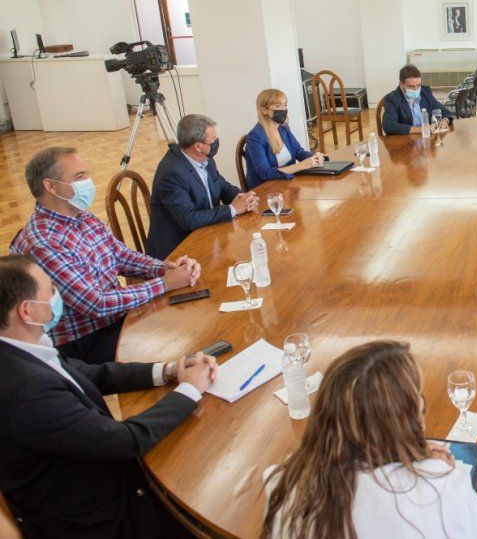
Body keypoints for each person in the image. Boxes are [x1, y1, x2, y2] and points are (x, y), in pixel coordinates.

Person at [0, 254, 219, 538]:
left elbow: (93, 374)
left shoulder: (24, 345)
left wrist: (169, 371)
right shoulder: (25, 390)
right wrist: (189, 390)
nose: (58, 294)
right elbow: (125, 440)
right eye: (51, 290)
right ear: (27, 311)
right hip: (100, 517)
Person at [262, 340, 477, 539]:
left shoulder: (283, 480)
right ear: (403, 424)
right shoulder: (439, 491)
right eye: (420, 405)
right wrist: (439, 474)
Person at [10, 147, 200, 363]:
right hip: (87, 342)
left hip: (115, 318)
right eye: (79, 177)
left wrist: (166, 268)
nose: (88, 182)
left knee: (190, 318)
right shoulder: (43, 243)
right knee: (180, 342)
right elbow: (96, 304)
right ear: (50, 186)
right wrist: (165, 284)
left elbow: (122, 256)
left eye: (87, 174)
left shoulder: (80, 215)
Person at [147, 114, 259, 260]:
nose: (217, 142)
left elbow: (221, 185)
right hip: (179, 251)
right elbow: (189, 219)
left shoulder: (205, 159)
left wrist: (241, 197)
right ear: (198, 146)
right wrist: (233, 209)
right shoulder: (172, 173)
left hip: (208, 233)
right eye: (213, 140)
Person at [244, 88, 325, 189]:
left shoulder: (283, 128)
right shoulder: (255, 137)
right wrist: (301, 166)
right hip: (264, 189)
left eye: (285, 105)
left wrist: (314, 158)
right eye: (278, 106)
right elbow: (265, 173)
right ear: (264, 110)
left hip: (287, 184)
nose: (283, 109)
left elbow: (299, 152)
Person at [382, 65, 455, 136]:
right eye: (411, 86)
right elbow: (389, 126)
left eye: (418, 85)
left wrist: (445, 120)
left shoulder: (425, 91)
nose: (416, 89)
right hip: (405, 142)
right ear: (401, 85)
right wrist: (420, 129)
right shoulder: (392, 99)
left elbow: (444, 111)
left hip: (427, 139)